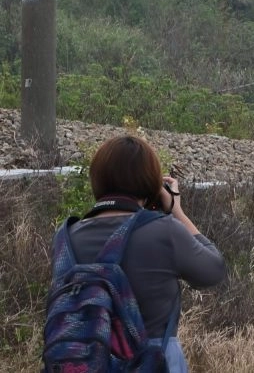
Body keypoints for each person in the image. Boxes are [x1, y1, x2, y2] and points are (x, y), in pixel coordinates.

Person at [62, 134, 227, 372]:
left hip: (83, 362)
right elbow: (213, 271)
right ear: (150, 182)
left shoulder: (68, 236)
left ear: (97, 179)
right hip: (151, 361)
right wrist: (176, 211)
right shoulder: (164, 231)